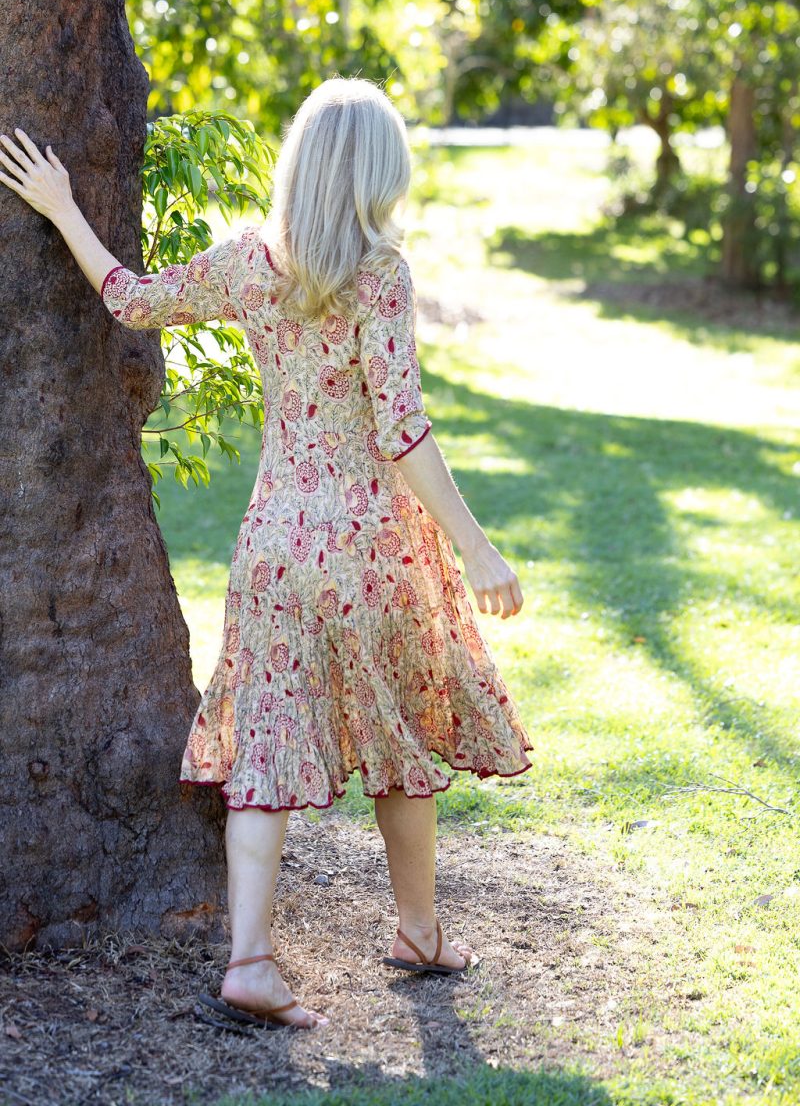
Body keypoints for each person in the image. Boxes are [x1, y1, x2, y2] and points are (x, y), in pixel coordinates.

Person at [0, 75, 533, 1031]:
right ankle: (418, 932)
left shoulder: (249, 262)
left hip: (277, 544)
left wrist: (64, 207)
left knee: (269, 744)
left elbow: (129, 300)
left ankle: (249, 960)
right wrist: (479, 551)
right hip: (370, 546)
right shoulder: (379, 273)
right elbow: (402, 430)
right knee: (400, 741)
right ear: (374, 173)